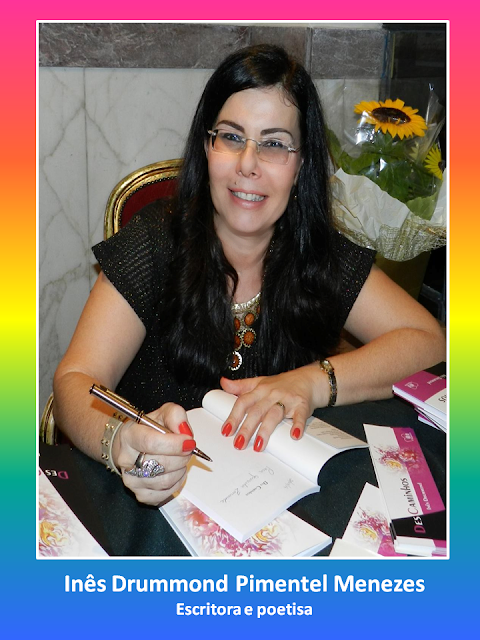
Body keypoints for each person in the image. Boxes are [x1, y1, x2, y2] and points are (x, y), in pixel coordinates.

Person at [53, 44, 445, 507]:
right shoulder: (155, 240)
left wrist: (313, 382)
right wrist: (119, 442)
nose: (247, 164)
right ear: (207, 146)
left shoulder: (316, 250)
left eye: (274, 144)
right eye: (231, 137)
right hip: (148, 508)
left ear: (301, 165)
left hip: (276, 508)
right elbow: (75, 380)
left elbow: (428, 341)